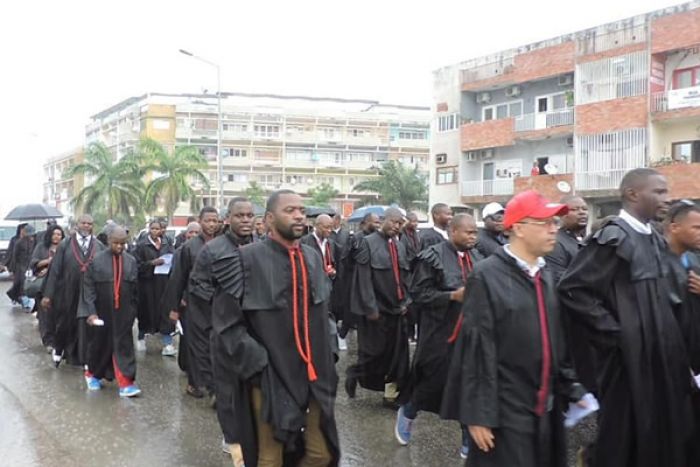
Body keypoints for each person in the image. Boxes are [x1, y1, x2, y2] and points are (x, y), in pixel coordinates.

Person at [559, 168, 693, 467]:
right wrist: (617, 334)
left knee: (664, 427)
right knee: (625, 432)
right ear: (633, 194)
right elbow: (574, 290)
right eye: (658, 192)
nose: (666, 199)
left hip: (661, 358)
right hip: (628, 362)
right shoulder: (614, 237)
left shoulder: (655, 240)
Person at [444, 190, 586, 467]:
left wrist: (571, 385)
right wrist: (477, 415)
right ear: (519, 228)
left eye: (555, 223)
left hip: (546, 406)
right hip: (507, 411)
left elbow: (555, 338)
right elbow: (475, 347)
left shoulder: (545, 275)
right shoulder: (487, 275)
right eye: (544, 223)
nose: (553, 230)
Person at [210, 189, 339, 467]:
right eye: (289, 210)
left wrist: (330, 351)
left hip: (314, 373)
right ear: (269, 219)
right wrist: (259, 364)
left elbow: (324, 310)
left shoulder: (312, 257)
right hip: (269, 376)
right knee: (270, 457)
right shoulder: (244, 259)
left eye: (301, 211)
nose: (298, 216)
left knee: (320, 453)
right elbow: (226, 324)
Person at [395, 214, 482, 459]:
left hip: (471, 333)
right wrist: (451, 297)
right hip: (439, 334)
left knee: (468, 385)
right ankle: (409, 411)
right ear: (453, 231)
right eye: (468, 232)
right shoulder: (432, 257)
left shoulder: (478, 257)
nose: (473, 237)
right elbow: (419, 295)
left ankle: (467, 436)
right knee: (432, 383)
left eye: (475, 232)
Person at [188, 198, 255, 454]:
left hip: (255, 333)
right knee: (227, 390)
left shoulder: (262, 248)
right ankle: (231, 437)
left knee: (252, 388)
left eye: (250, 215)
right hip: (224, 331)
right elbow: (198, 284)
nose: (246, 220)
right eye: (240, 215)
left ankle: (251, 433)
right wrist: (220, 308)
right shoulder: (212, 250)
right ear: (228, 218)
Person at [345, 207, 411, 408]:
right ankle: (354, 373)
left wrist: (407, 301)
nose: (397, 226)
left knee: (398, 355)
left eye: (400, 223)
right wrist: (370, 308)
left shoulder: (399, 246)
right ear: (383, 220)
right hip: (376, 311)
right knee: (376, 353)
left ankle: (390, 396)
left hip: (397, 309)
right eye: (394, 222)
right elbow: (363, 279)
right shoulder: (367, 243)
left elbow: (405, 277)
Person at [163, 206, 220, 398]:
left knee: (216, 345)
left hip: (218, 304)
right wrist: (174, 307)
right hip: (193, 303)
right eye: (208, 220)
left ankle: (214, 383)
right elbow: (177, 278)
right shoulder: (189, 248)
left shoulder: (223, 244)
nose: (211, 224)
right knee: (196, 345)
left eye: (215, 220)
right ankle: (195, 384)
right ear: (201, 221)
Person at [78, 226, 141, 397]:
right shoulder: (96, 261)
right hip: (101, 312)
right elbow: (88, 289)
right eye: (116, 243)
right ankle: (92, 374)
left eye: (123, 244)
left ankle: (126, 382)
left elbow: (135, 290)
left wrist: (133, 312)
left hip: (123, 313)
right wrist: (91, 312)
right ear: (108, 241)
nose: (120, 247)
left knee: (124, 346)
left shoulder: (131, 261)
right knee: (100, 345)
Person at [663, 201, 700, 465]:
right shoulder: (655, 262)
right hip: (668, 366)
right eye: (696, 227)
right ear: (674, 228)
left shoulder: (695, 260)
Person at [43, 215, 104, 367]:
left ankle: (83, 357)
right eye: (83, 223)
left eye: (89, 224)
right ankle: (58, 350)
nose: (86, 226)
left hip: (90, 292)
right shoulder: (65, 244)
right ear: (77, 225)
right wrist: (48, 295)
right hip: (67, 291)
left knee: (85, 325)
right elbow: (55, 270)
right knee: (64, 322)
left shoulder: (99, 245)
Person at [134, 220, 176, 356]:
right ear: (149, 229)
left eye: (158, 229)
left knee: (165, 313)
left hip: (163, 283)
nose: (156, 231)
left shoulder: (166, 243)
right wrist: (152, 263)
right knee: (145, 312)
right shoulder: (141, 246)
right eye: (153, 228)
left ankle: (168, 343)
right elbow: (137, 265)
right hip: (147, 285)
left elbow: (173, 258)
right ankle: (141, 338)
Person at [30, 224, 65, 352]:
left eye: (59, 234)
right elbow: (34, 263)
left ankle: (59, 340)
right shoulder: (41, 247)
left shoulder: (65, 248)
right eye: (54, 234)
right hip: (43, 287)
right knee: (45, 316)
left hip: (60, 287)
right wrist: (48, 262)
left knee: (58, 316)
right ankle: (48, 341)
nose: (56, 237)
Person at [7, 224, 36, 309]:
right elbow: (14, 256)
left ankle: (27, 301)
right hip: (20, 266)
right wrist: (12, 269)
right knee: (20, 284)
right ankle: (23, 301)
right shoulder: (19, 242)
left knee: (29, 284)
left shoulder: (34, 242)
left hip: (30, 265)